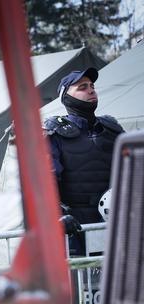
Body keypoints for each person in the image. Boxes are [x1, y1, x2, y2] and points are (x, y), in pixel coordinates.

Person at [43, 67, 124, 255]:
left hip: (119, 226)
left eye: (92, 86)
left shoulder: (112, 128)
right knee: (84, 283)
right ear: (66, 97)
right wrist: (58, 217)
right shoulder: (54, 132)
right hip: (76, 231)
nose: (91, 90)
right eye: (82, 87)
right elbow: (46, 183)